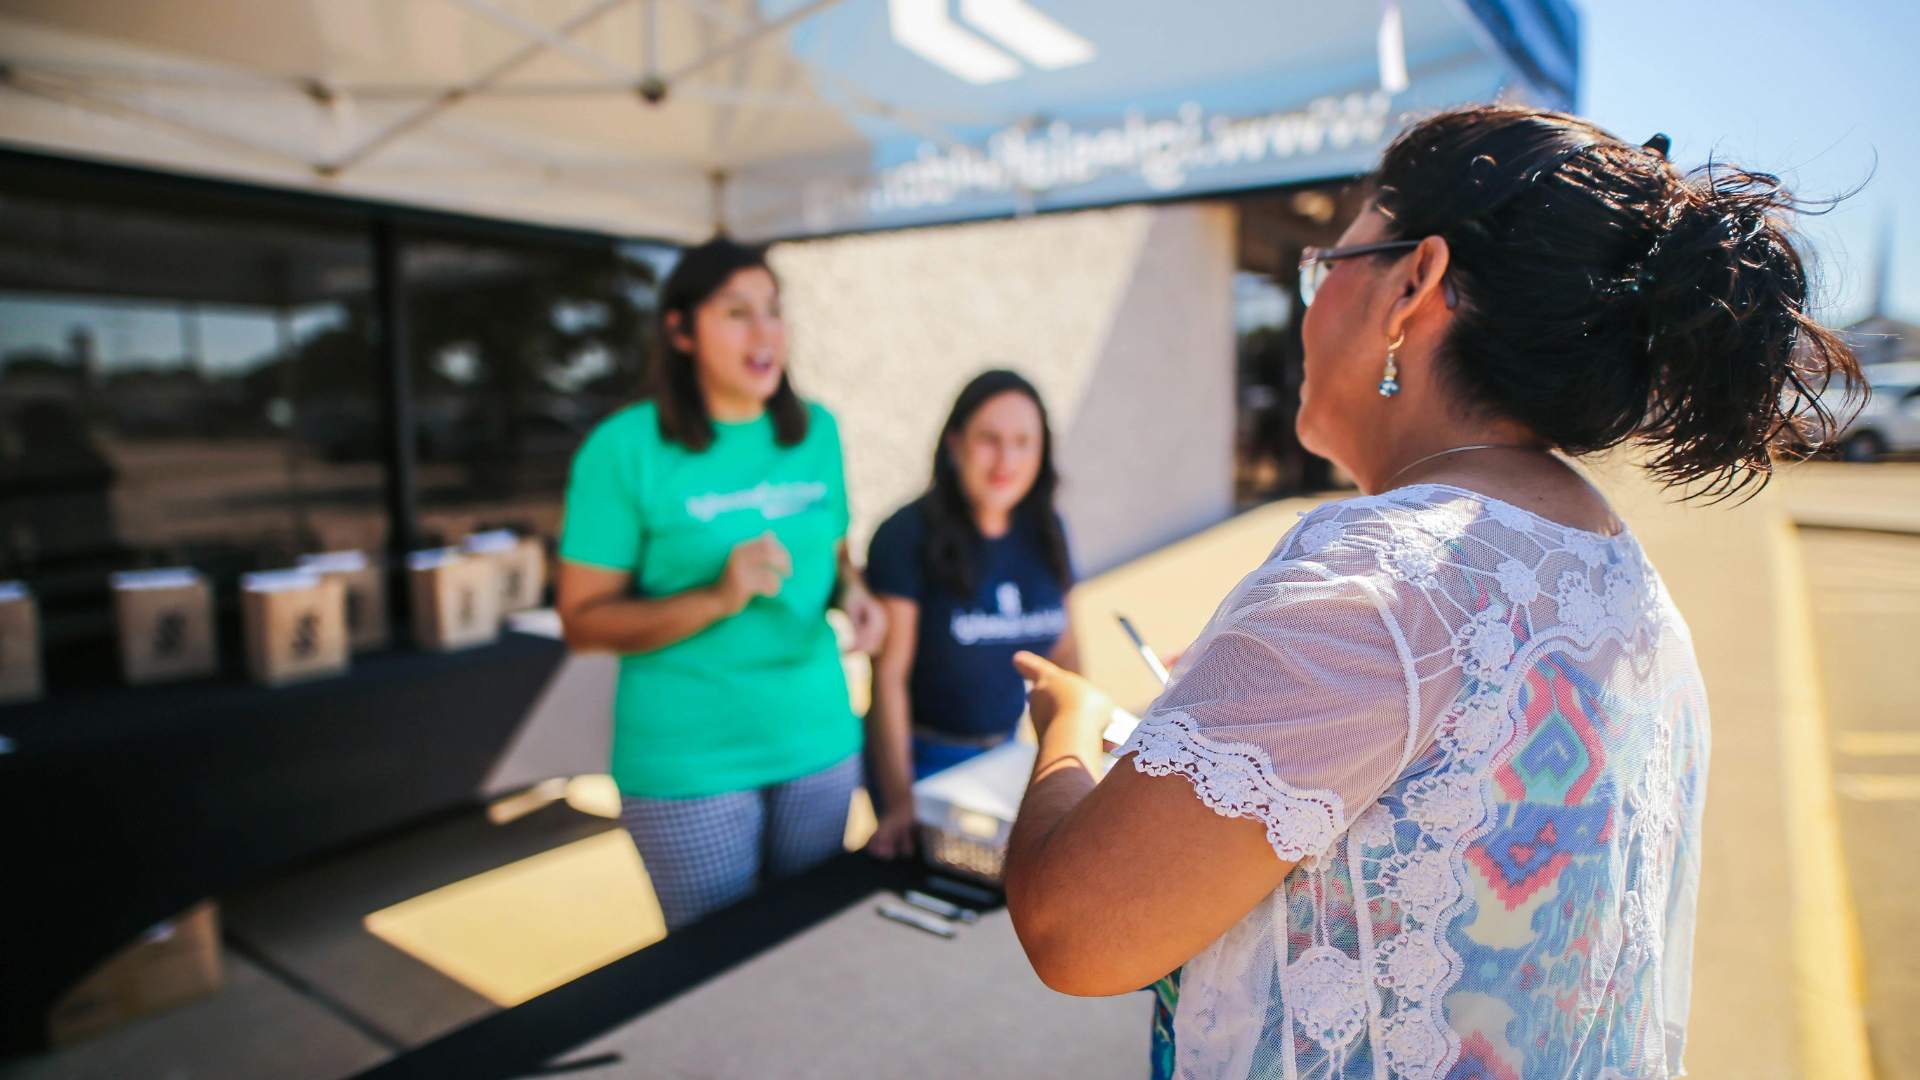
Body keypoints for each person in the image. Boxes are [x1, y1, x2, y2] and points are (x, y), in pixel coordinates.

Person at [1001, 104, 1860, 1080]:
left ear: (1414, 284)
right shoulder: (1625, 582)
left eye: (1331, 263)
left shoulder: (1376, 579)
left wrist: (1069, 728)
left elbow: (1076, 928)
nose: (1309, 304)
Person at [555, 238, 885, 931]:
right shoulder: (623, 449)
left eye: (773, 310)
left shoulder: (816, 431)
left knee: (807, 949)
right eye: (737, 312)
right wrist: (717, 597)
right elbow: (584, 621)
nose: (765, 332)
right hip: (689, 761)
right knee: (718, 974)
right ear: (679, 330)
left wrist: (853, 594)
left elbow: (834, 555)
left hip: (817, 738)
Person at [861, 370, 1079, 857]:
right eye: (990, 439)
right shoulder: (905, 535)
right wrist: (900, 803)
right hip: (923, 761)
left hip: (1009, 755)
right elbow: (888, 680)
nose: (1007, 459)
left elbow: (1068, 657)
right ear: (956, 443)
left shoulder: (1048, 530)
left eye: (1024, 442)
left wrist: (1074, 763)